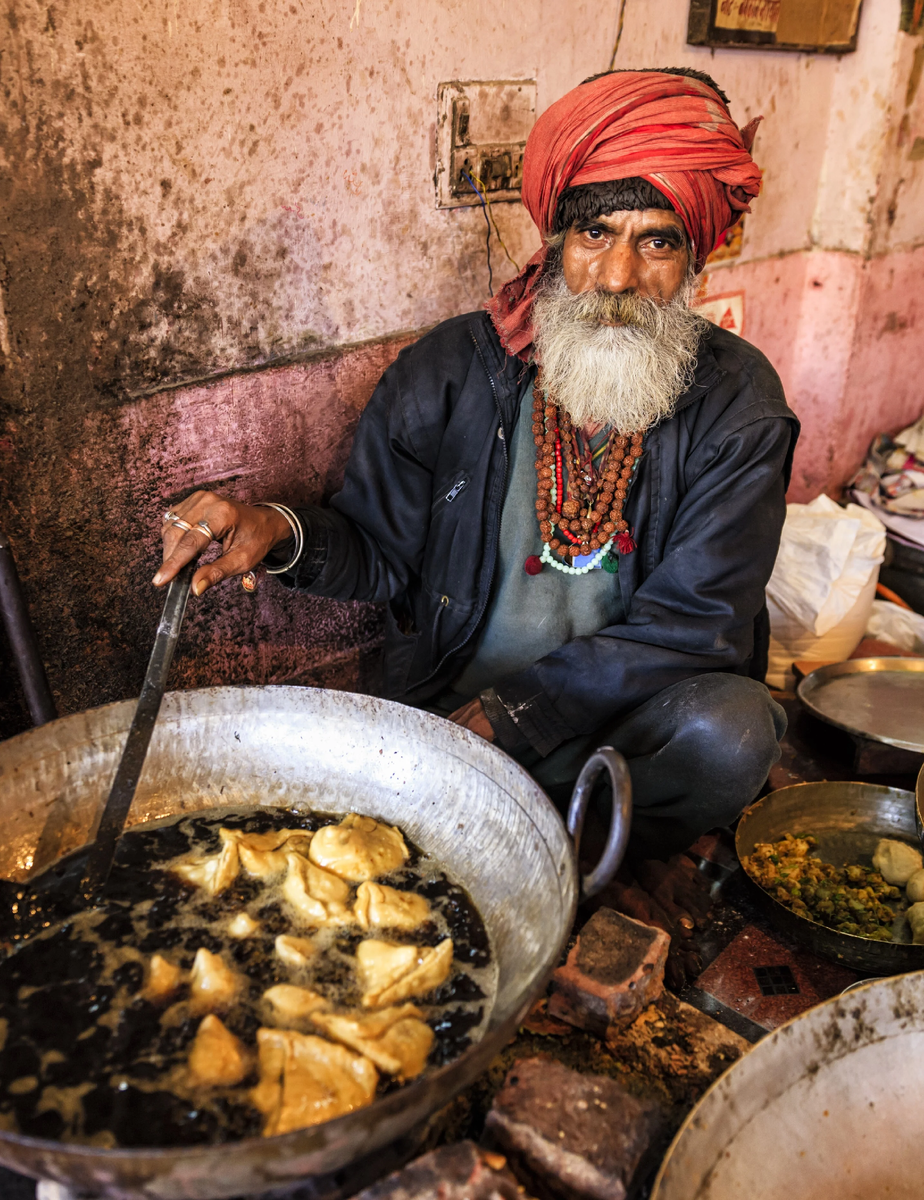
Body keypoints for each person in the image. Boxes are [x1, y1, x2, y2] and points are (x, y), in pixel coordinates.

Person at [154, 68, 797, 866]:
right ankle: (531, 844)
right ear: (557, 243)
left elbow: (696, 627)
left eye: (657, 241)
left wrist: (516, 715)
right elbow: (380, 550)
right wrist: (273, 530)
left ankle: (574, 858)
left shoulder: (738, 403)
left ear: (697, 252)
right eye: (595, 235)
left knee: (734, 734)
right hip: (453, 708)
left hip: (622, 729)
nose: (618, 278)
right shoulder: (452, 370)